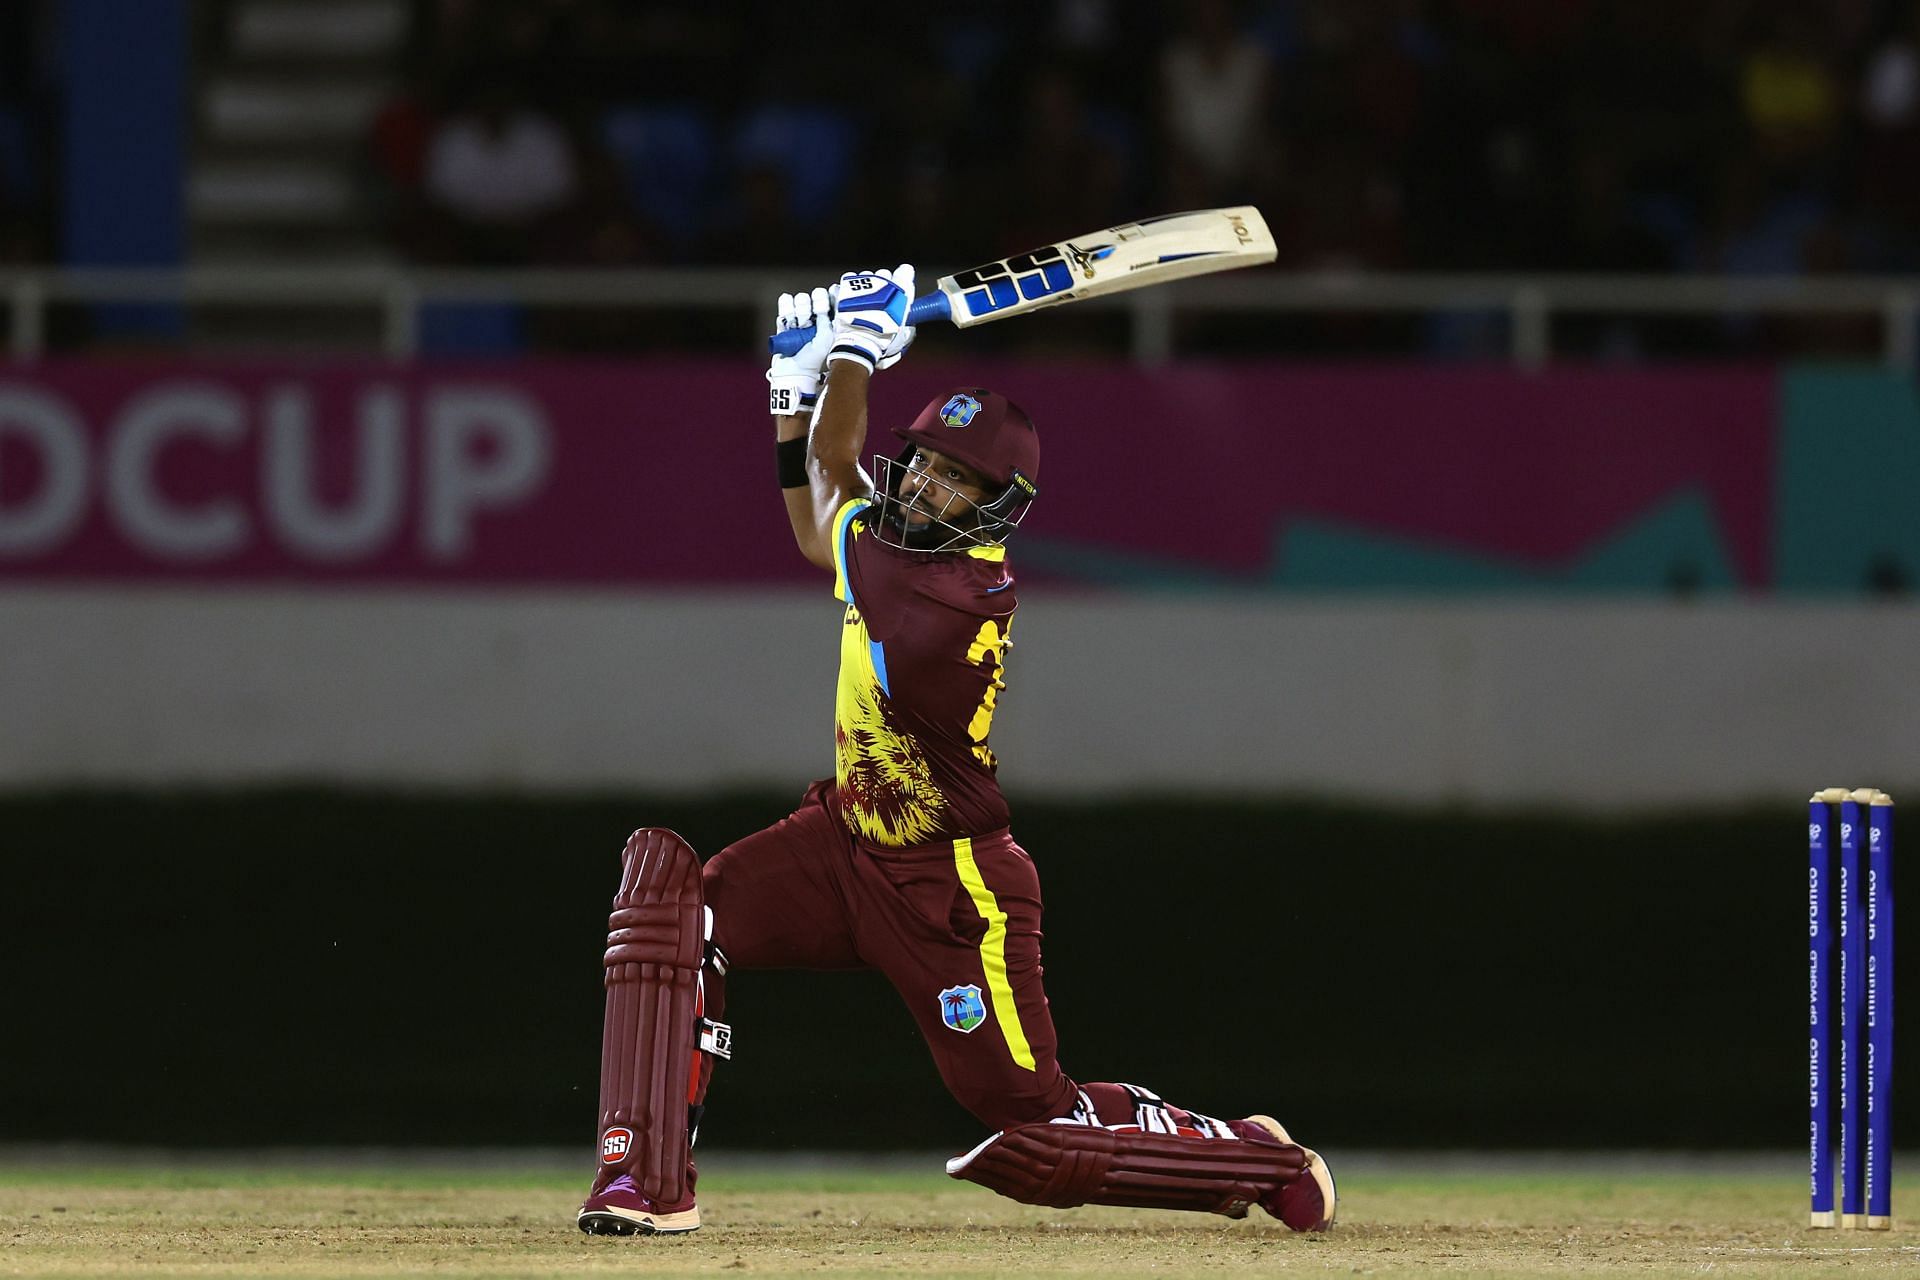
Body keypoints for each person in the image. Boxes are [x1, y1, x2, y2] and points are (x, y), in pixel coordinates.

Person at [575, 267, 1336, 1237]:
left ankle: (1257, 1157)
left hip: (953, 887)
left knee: (1031, 1113)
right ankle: (643, 1179)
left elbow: (835, 471)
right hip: (841, 839)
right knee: (682, 907)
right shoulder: (885, 551)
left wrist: (845, 353)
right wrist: (789, 388)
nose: (930, 484)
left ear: (996, 505)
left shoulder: (948, 593)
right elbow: (818, 523)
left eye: (958, 478)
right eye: (927, 461)